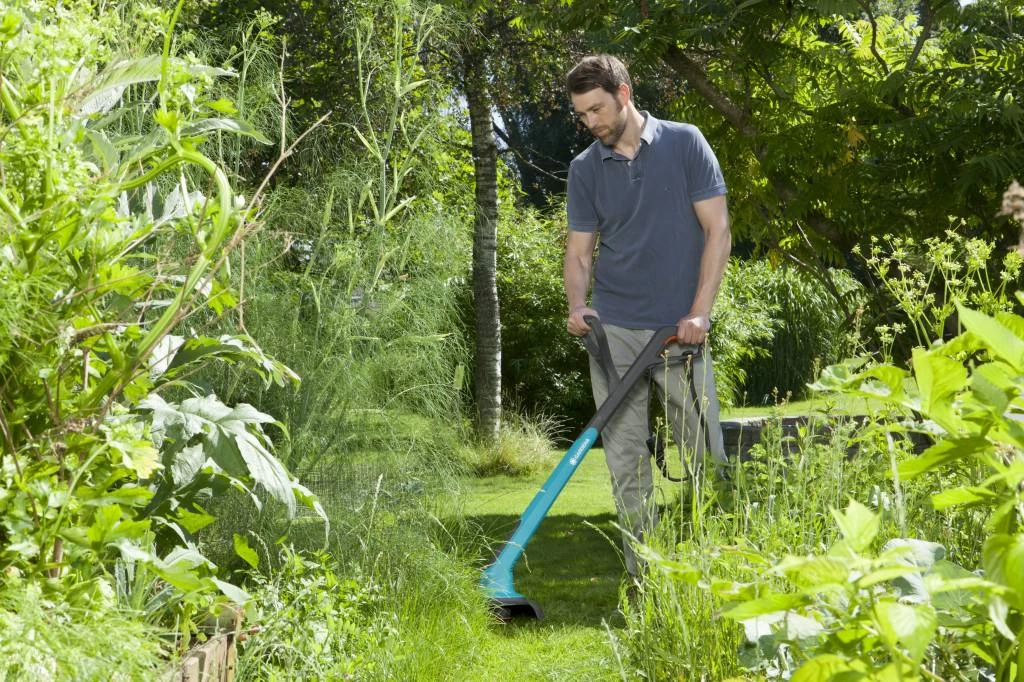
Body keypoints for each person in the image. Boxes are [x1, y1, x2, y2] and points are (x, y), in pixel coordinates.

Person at [562, 54, 731, 583]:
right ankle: (647, 581)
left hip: (681, 334)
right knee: (626, 463)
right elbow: (579, 253)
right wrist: (577, 306)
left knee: (706, 457)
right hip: (614, 334)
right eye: (582, 115)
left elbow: (718, 231)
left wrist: (699, 313)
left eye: (596, 109)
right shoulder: (585, 169)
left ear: (624, 93)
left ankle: (716, 572)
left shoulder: (685, 143)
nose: (590, 122)